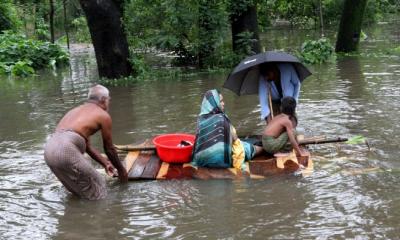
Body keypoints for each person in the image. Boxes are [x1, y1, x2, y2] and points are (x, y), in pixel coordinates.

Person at [44, 84, 128, 200]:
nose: (109, 103)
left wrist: (105, 163)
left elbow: (87, 146)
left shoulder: (75, 111)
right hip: (65, 149)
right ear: (103, 100)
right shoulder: (103, 115)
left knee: (79, 193)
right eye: (109, 100)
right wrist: (121, 170)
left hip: (49, 150)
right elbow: (109, 149)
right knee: (99, 185)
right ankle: (106, 215)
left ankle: (80, 216)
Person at [192, 89, 263, 170]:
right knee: (247, 148)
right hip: (223, 162)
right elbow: (236, 141)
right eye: (221, 101)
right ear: (215, 103)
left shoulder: (200, 120)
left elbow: (197, 143)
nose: (223, 103)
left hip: (201, 160)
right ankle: (263, 149)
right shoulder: (222, 119)